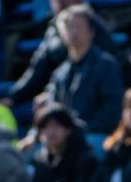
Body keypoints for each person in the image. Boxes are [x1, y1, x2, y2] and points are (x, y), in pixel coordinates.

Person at [43, 4, 123, 138]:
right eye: (68, 27)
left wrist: (81, 129)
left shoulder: (106, 65)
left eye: (78, 26)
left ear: (91, 31)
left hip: (97, 135)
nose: (73, 31)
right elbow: (52, 110)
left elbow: (113, 110)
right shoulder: (59, 73)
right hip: (66, 139)